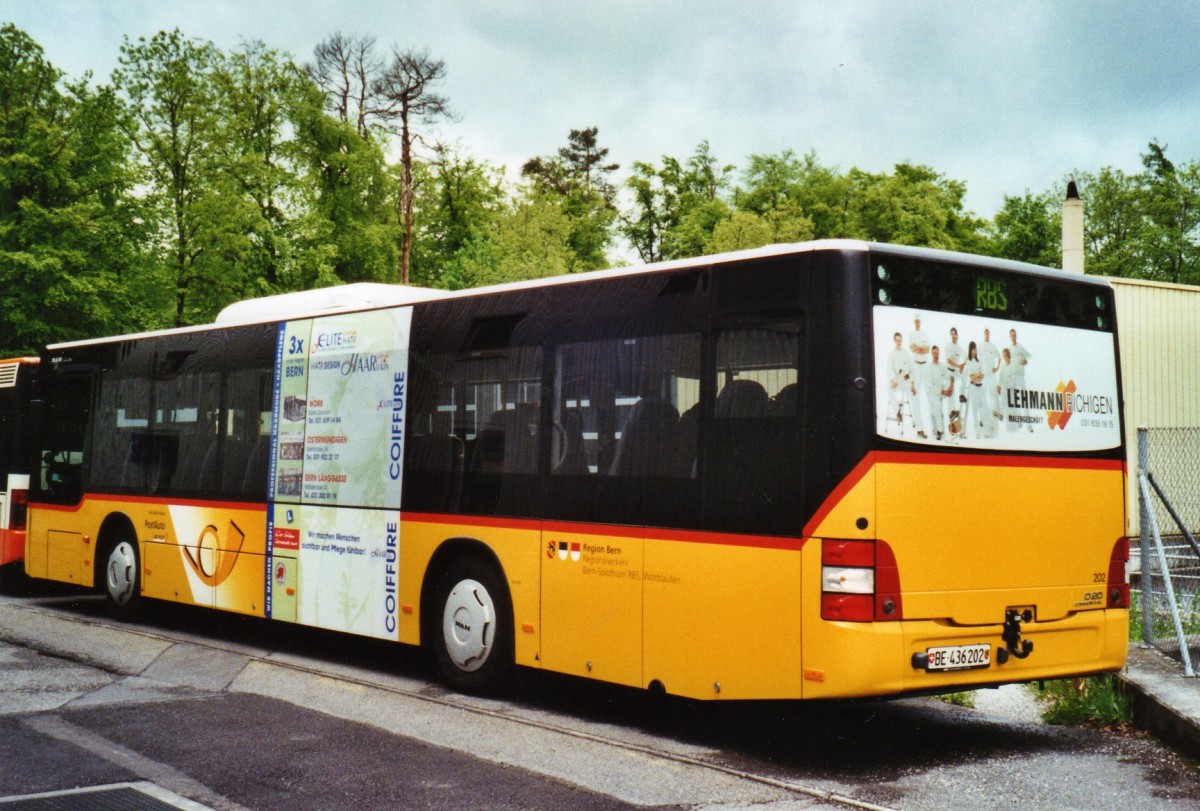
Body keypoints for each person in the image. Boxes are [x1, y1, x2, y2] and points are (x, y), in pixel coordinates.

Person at [886, 331, 914, 434]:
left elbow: (909, 370)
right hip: (896, 382)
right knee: (889, 388)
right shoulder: (891, 354)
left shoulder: (906, 353)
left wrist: (900, 380)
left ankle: (915, 418)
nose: (899, 342)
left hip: (904, 381)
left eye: (900, 340)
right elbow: (889, 369)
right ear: (894, 341)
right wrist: (893, 380)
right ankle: (898, 412)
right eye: (897, 340)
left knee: (912, 394)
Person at [908, 315, 931, 437]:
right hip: (916, 367)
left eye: (919, 321)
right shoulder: (912, 334)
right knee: (916, 397)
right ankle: (919, 429)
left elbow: (927, 350)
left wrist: (920, 348)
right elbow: (912, 348)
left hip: (925, 366)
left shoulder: (924, 334)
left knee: (930, 394)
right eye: (915, 321)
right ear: (914, 322)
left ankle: (935, 428)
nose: (917, 323)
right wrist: (920, 349)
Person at [964, 341, 992, 438]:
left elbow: (982, 375)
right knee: (975, 410)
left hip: (981, 387)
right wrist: (977, 375)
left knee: (984, 409)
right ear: (970, 350)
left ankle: (986, 431)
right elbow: (972, 377)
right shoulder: (969, 362)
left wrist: (978, 376)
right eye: (972, 349)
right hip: (973, 388)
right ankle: (977, 432)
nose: (974, 351)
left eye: (975, 349)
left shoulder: (979, 361)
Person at [929, 345, 954, 440]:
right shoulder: (929, 368)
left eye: (937, 353)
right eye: (934, 353)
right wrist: (944, 392)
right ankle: (939, 431)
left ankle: (952, 413)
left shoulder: (941, 365)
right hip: (932, 393)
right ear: (932, 354)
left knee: (952, 393)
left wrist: (951, 383)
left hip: (941, 391)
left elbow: (949, 375)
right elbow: (931, 387)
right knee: (938, 406)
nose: (936, 355)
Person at [979, 328, 1002, 426]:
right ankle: (983, 418)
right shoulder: (981, 346)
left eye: (988, 334)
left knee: (994, 394)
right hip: (984, 375)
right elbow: (978, 360)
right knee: (983, 397)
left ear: (990, 335)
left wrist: (996, 368)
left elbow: (1000, 357)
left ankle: (996, 412)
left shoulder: (993, 346)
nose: (987, 335)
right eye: (986, 334)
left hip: (992, 375)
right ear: (984, 334)